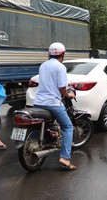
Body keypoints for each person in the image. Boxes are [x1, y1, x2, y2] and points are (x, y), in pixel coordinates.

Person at [33, 42, 76, 170]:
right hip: (52, 103)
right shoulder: (60, 67)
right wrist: (68, 95)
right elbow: (62, 87)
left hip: (38, 102)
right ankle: (65, 158)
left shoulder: (43, 65)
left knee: (48, 124)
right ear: (62, 54)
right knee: (68, 127)